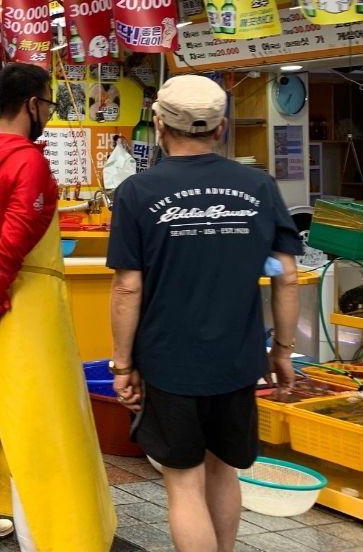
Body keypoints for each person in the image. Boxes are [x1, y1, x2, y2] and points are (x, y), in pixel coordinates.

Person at [108, 75, 302, 552]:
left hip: (169, 362)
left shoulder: (138, 191)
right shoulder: (258, 185)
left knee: (183, 483)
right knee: (223, 471)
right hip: (237, 362)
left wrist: (122, 362)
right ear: (221, 128)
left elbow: (127, 287)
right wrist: (281, 351)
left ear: (158, 124)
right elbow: (287, 275)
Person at [0, 63, 115, 551]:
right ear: (32, 105)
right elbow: (14, 248)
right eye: (49, 104)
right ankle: (42, 538)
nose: (49, 115)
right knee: (37, 420)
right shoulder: (29, 163)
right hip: (29, 312)